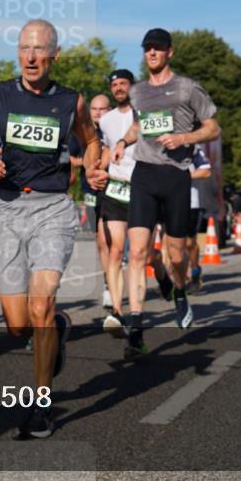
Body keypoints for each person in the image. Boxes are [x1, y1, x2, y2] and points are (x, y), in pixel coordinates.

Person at [0, 19, 103, 438]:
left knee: (41, 305)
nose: (31, 56)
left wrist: (92, 169)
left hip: (53, 209)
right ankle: (56, 330)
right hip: (8, 209)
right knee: (17, 326)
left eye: (39, 49)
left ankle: (41, 407)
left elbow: (91, 140)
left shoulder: (72, 101)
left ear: (55, 55)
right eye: (24, 47)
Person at [111, 28, 221, 358]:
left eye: (158, 48)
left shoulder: (187, 88)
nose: (152, 53)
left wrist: (184, 138)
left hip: (175, 175)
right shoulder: (139, 91)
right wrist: (122, 142)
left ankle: (180, 290)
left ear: (170, 52)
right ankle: (135, 327)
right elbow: (138, 126)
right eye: (147, 48)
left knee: (176, 254)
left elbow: (213, 127)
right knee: (137, 252)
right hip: (144, 174)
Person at [97, 70, 136, 334]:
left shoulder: (143, 114)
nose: (119, 88)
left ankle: (162, 274)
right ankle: (117, 312)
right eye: (114, 85)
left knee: (142, 254)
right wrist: (96, 170)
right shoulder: (106, 120)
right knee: (115, 251)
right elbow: (106, 150)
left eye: (123, 83)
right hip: (116, 188)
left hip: (142, 188)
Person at [70, 93, 110, 311]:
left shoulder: (114, 129)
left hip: (114, 190)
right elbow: (71, 159)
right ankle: (108, 281)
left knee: (115, 242)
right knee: (100, 240)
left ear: (109, 110)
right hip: (91, 190)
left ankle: (110, 282)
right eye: (94, 109)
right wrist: (88, 162)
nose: (97, 113)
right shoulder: (81, 132)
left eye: (102, 109)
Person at [186, 146, 213, 291]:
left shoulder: (191, 148)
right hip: (167, 202)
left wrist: (182, 176)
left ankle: (195, 271)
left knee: (189, 243)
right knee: (168, 241)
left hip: (190, 202)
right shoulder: (158, 146)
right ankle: (171, 278)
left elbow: (206, 171)